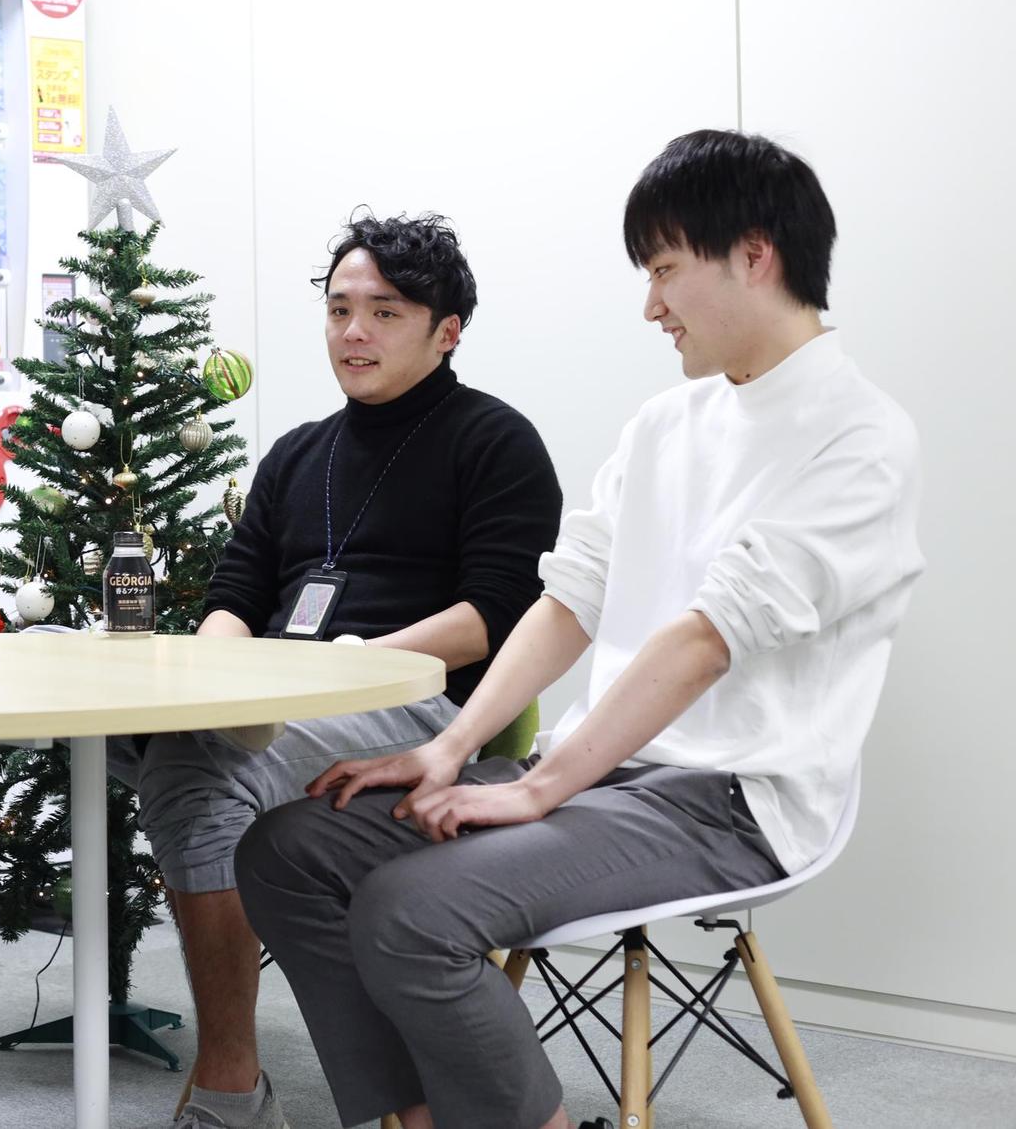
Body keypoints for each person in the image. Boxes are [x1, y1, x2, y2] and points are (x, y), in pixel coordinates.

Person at [237, 131, 923, 1129]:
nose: (651, 305)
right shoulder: (665, 424)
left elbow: (704, 640)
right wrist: (450, 746)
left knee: (411, 908)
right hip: (604, 776)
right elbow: (567, 600)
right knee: (288, 848)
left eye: (664, 270)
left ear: (753, 255)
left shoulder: (860, 437)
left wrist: (537, 787)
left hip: (729, 801)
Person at [130, 211, 563, 1129]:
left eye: (384, 312)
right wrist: (216, 676)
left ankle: (229, 1092)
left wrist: (352, 666)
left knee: (199, 765)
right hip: (281, 701)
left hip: (420, 708)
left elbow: (495, 614)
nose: (353, 332)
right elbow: (235, 594)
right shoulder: (298, 452)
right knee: (166, 748)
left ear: (447, 332)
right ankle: (235, 1086)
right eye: (338, 310)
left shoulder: (496, 440)